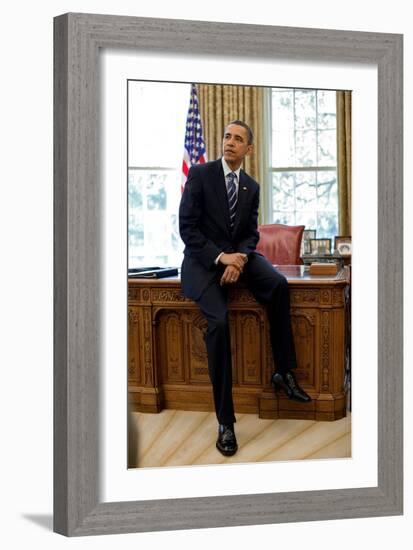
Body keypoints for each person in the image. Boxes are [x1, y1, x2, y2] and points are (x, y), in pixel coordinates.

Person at [179, 120, 311, 457]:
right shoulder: (200, 174)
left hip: (239, 255)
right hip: (203, 262)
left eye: (238, 139)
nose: (230, 142)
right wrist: (223, 258)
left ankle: (282, 371)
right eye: (227, 136)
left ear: (249, 149)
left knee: (278, 284)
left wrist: (239, 259)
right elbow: (188, 229)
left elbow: (251, 234)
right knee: (220, 323)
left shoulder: (251, 186)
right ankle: (226, 421)